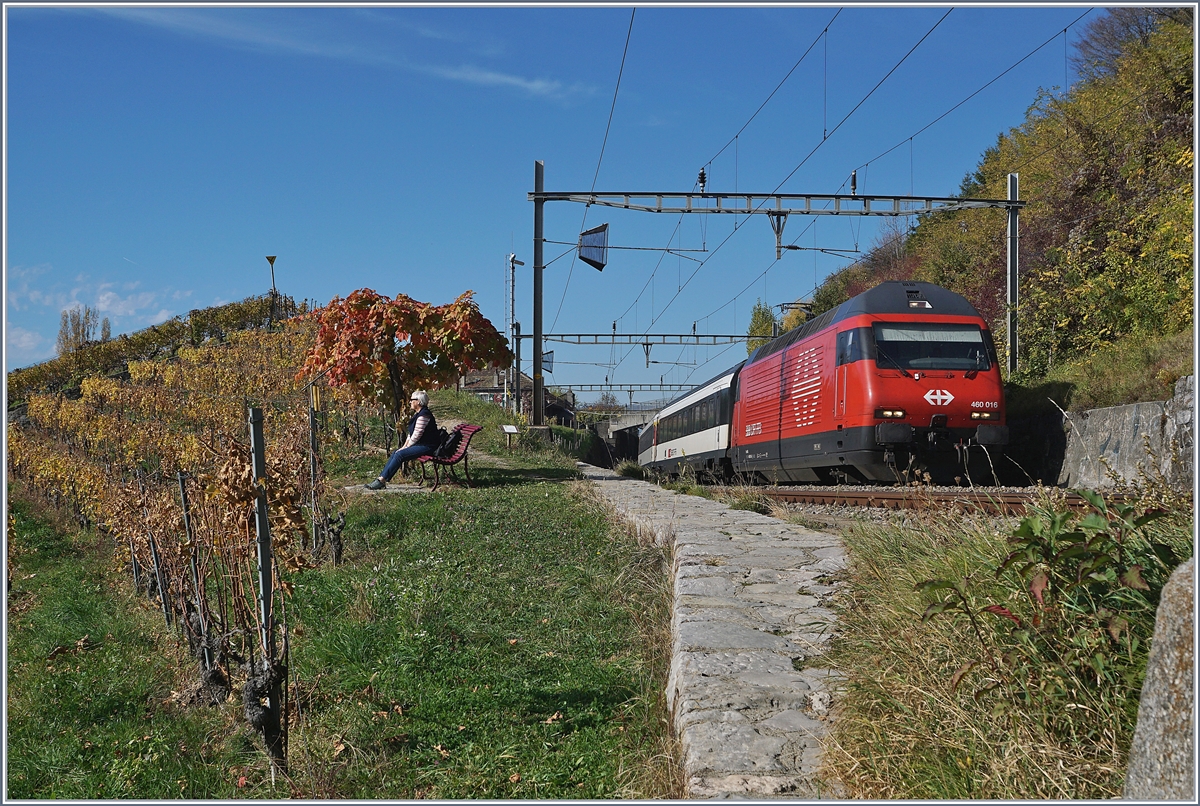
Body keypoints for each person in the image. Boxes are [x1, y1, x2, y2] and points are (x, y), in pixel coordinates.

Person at [365, 390, 439, 489]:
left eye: (412, 400)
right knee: (396, 452)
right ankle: (380, 479)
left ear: (418, 401)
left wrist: (405, 448)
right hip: (422, 444)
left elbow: (416, 435)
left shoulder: (424, 415)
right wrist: (404, 447)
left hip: (429, 446)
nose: (410, 402)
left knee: (400, 454)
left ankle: (381, 481)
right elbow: (411, 434)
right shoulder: (418, 414)